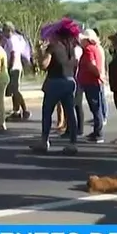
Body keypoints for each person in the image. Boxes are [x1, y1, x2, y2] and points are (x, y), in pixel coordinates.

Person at [31, 20, 80, 155]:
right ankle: (73, 143)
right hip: (69, 82)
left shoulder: (53, 47)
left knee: (47, 113)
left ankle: (44, 141)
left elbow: (44, 65)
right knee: (70, 113)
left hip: (54, 82)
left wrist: (40, 52)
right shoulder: (71, 49)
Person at [77, 29, 105, 142]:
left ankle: (98, 133)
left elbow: (92, 65)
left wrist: (98, 75)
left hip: (91, 82)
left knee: (95, 108)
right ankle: (97, 131)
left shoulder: (89, 50)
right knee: (95, 107)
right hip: (90, 82)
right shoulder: (94, 49)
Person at [2, 22, 31, 120]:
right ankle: (16, 111)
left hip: (14, 67)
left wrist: (10, 67)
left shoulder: (12, 40)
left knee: (15, 90)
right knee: (14, 90)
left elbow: (13, 53)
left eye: (4, 30)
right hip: (15, 66)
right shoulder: (13, 39)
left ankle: (25, 110)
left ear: (9, 30)